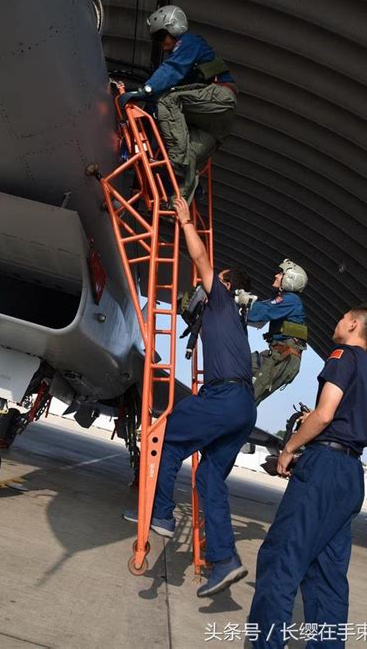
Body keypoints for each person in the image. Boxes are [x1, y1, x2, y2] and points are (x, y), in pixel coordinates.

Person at [124, 196, 257, 598]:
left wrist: (184, 222)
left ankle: (161, 514)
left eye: (218, 277)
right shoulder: (236, 322)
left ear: (228, 285)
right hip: (244, 408)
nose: (205, 283)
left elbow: (200, 258)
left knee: (163, 439)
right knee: (209, 478)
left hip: (222, 397)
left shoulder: (221, 300)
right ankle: (225, 560)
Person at [249, 303, 367, 648]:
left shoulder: (342, 356)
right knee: (327, 575)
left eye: (342, 317)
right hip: (350, 475)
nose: (337, 321)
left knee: (282, 560)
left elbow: (325, 415)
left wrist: (289, 447)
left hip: (324, 467)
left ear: (354, 324)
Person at [120, 5, 238, 203]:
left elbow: (171, 70)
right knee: (185, 153)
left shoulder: (190, 43)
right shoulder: (188, 65)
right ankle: (180, 198)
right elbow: (165, 92)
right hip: (215, 125)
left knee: (167, 102)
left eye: (161, 37)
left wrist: (144, 91)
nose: (160, 44)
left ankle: (178, 167)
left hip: (220, 97)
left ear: (173, 28)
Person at [247, 259, 308, 405]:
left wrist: (236, 301)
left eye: (281, 274)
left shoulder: (290, 300)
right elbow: (262, 310)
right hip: (278, 354)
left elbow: (260, 312)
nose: (276, 275)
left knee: (248, 399)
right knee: (239, 362)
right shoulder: (289, 301)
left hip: (283, 357)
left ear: (290, 279)